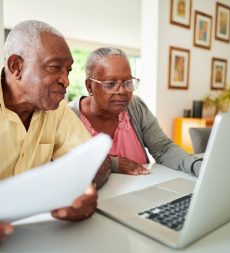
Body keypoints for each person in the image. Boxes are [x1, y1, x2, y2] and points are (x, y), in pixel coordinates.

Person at [0, 20, 110, 240]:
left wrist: (85, 189)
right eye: (55, 67)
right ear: (16, 67)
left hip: (35, 235)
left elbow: (97, 162)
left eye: (68, 70)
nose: (66, 81)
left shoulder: (56, 110)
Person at [70, 47, 203, 176]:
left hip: (143, 191)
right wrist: (114, 163)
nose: (122, 91)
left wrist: (197, 166)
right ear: (89, 86)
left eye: (128, 82)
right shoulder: (69, 116)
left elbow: (163, 149)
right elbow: (73, 165)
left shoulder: (135, 106)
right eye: (110, 84)